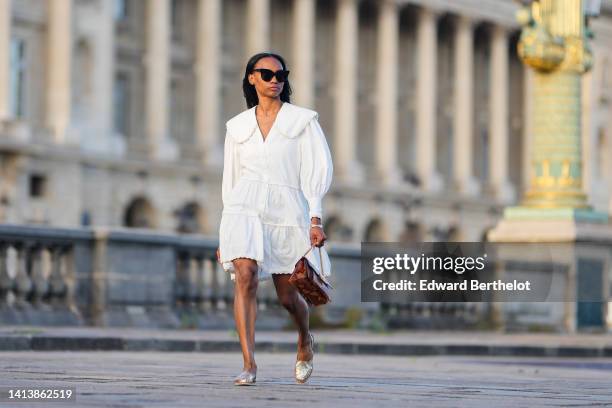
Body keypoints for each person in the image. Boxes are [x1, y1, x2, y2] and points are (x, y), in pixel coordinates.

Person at [216, 52, 334, 386]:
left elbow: (316, 170)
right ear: (251, 78)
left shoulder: (302, 121)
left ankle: (304, 339)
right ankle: (249, 364)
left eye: (281, 74)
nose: (275, 80)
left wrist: (315, 219)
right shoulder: (237, 127)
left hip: (286, 208)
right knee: (245, 276)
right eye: (266, 74)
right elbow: (231, 179)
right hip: (243, 207)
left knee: (287, 296)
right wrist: (224, 236)